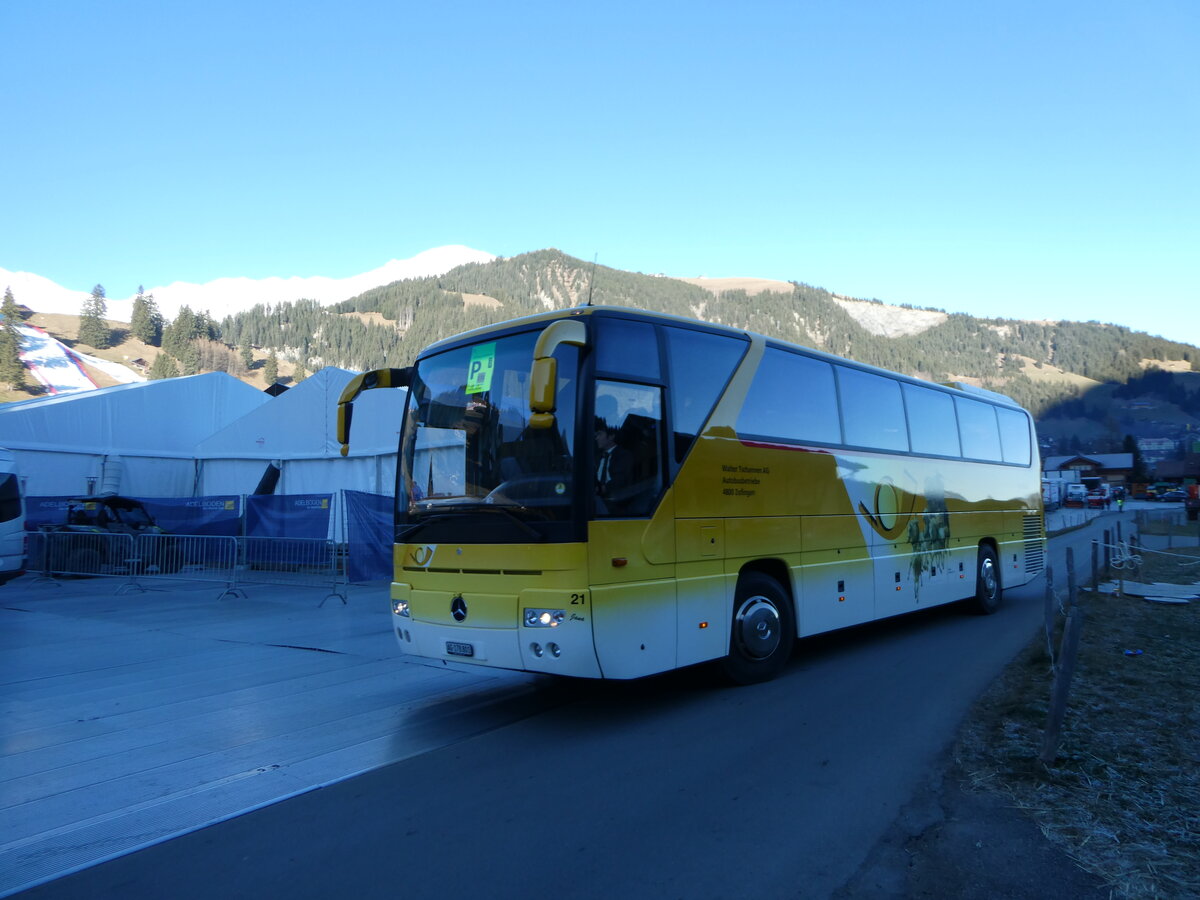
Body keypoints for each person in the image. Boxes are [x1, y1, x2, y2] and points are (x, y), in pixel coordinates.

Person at [595, 419, 635, 513]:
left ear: (611, 436)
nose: (596, 438)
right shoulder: (598, 457)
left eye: (599, 434)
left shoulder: (623, 455)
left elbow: (619, 481)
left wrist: (598, 489)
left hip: (615, 503)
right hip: (598, 500)